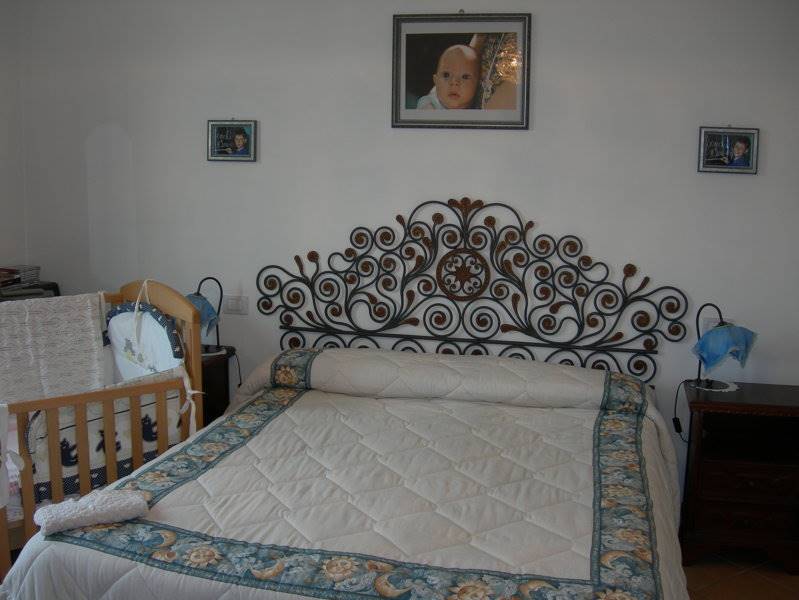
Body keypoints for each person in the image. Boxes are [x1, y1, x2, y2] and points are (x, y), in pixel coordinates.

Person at [416, 44, 480, 110]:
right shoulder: (430, 105)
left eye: (465, 77)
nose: (454, 82)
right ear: (436, 81)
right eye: (446, 75)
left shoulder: (479, 106)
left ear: (477, 83)